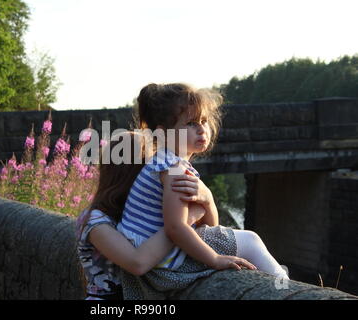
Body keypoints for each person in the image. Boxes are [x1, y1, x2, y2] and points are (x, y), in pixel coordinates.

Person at [117, 83, 289, 299]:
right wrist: (214, 259)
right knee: (251, 241)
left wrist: (207, 200)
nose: (201, 129)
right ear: (163, 134)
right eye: (190, 123)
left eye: (204, 121)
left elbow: (209, 225)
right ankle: (285, 288)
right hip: (165, 267)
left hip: (157, 263)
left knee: (243, 240)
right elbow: (175, 228)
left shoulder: (163, 162)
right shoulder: (174, 169)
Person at [75, 131, 213, 300]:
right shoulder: (94, 220)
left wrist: (208, 200)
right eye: (148, 166)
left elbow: (209, 232)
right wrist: (182, 222)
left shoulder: (135, 213)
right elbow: (138, 263)